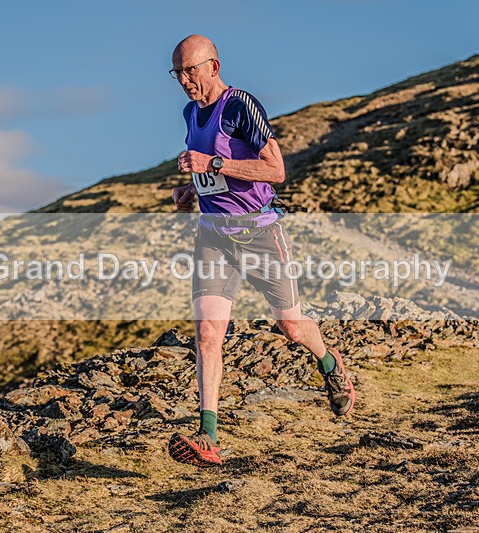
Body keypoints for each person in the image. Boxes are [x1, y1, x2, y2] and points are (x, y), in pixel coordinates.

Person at [167, 35, 355, 468]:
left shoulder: (240, 107)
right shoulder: (190, 112)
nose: (183, 80)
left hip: (259, 233)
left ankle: (329, 364)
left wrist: (212, 165)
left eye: (190, 70)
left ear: (213, 66)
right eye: (177, 72)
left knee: (291, 326)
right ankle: (208, 435)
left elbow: (276, 170)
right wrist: (192, 191)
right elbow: (214, 176)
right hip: (213, 235)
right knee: (208, 333)